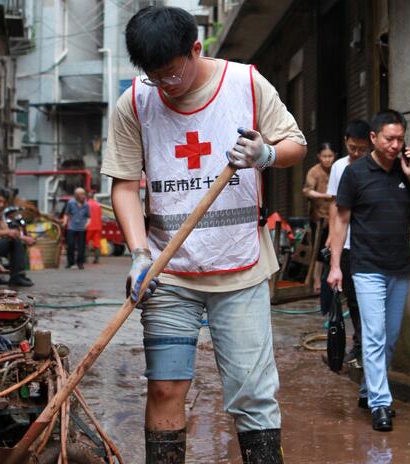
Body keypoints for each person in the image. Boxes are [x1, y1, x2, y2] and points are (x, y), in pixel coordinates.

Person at [101, 6, 306, 463]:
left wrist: (266, 153)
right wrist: (138, 255)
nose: (165, 86)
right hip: (167, 272)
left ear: (196, 49)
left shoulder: (247, 84)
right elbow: (124, 185)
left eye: (172, 73)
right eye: (155, 77)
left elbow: (296, 144)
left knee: (253, 393)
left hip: (241, 268)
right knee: (166, 385)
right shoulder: (135, 101)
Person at [327, 110, 410, 432]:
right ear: (374, 138)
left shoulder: (405, 171)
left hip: (399, 268)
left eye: (400, 139)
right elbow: (341, 220)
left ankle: (367, 389)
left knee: (390, 337)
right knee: (373, 335)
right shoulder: (355, 173)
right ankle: (380, 404)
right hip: (366, 267)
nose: (395, 144)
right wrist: (334, 266)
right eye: (389, 139)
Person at [323, 120, 372, 369]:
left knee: (368, 300)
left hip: (369, 245)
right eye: (353, 148)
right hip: (347, 244)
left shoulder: (374, 167)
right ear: (346, 142)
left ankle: (367, 347)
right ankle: (359, 345)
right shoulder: (340, 167)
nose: (357, 154)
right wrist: (333, 238)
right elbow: (335, 205)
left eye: (362, 149)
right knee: (351, 299)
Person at [302, 142, 335, 293]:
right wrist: (325, 196)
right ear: (319, 157)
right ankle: (316, 282)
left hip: (335, 217)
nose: (327, 159)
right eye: (324, 156)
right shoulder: (314, 172)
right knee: (319, 250)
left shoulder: (337, 169)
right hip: (319, 217)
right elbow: (307, 191)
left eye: (330, 156)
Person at [63, 187, 90, 269]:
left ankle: (80, 263)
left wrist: (87, 224)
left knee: (81, 246)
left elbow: (88, 216)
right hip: (72, 227)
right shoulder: (71, 203)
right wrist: (65, 222)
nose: (83, 196)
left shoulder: (86, 205)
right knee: (70, 245)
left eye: (83, 194)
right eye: (81, 194)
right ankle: (70, 262)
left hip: (82, 228)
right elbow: (66, 214)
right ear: (76, 195)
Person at [86, 191, 103, 264]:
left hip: (89, 226)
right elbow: (100, 214)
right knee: (97, 243)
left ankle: (84, 258)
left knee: (85, 242)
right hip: (98, 226)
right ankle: (97, 259)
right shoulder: (98, 205)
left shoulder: (86, 204)